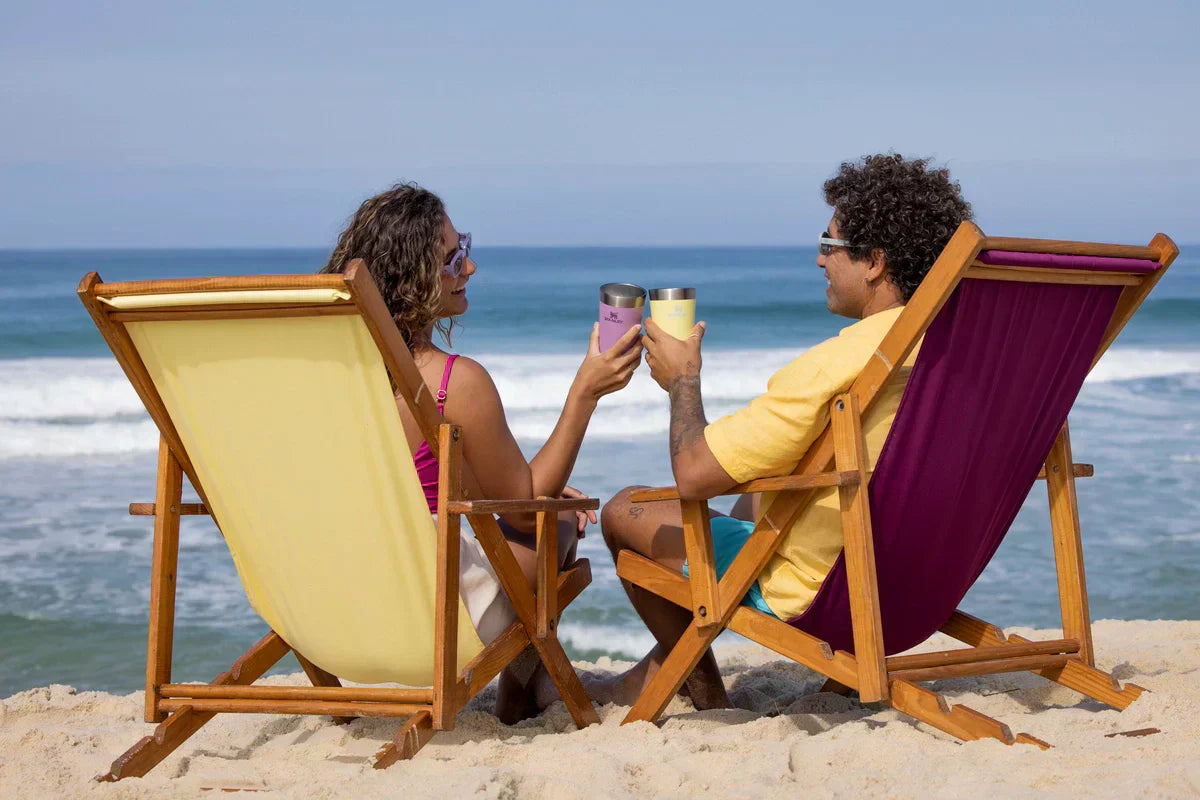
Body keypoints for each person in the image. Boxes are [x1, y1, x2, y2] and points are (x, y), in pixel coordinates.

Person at [597, 154, 973, 708]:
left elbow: (695, 474)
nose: (820, 259)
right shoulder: (965, 351)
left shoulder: (840, 365)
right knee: (757, 495)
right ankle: (659, 668)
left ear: (874, 262)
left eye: (830, 243)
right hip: (922, 582)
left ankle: (692, 685)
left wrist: (683, 381)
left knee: (626, 508)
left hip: (827, 594)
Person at [320, 182, 643, 721]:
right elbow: (523, 504)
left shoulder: (324, 381)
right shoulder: (452, 383)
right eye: (454, 258)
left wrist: (492, 483)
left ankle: (523, 692)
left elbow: (392, 481)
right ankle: (520, 694)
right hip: (433, 622)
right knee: (554, 522)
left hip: (331, 610)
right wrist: (586, 391)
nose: (469, 269)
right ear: (411, 279)